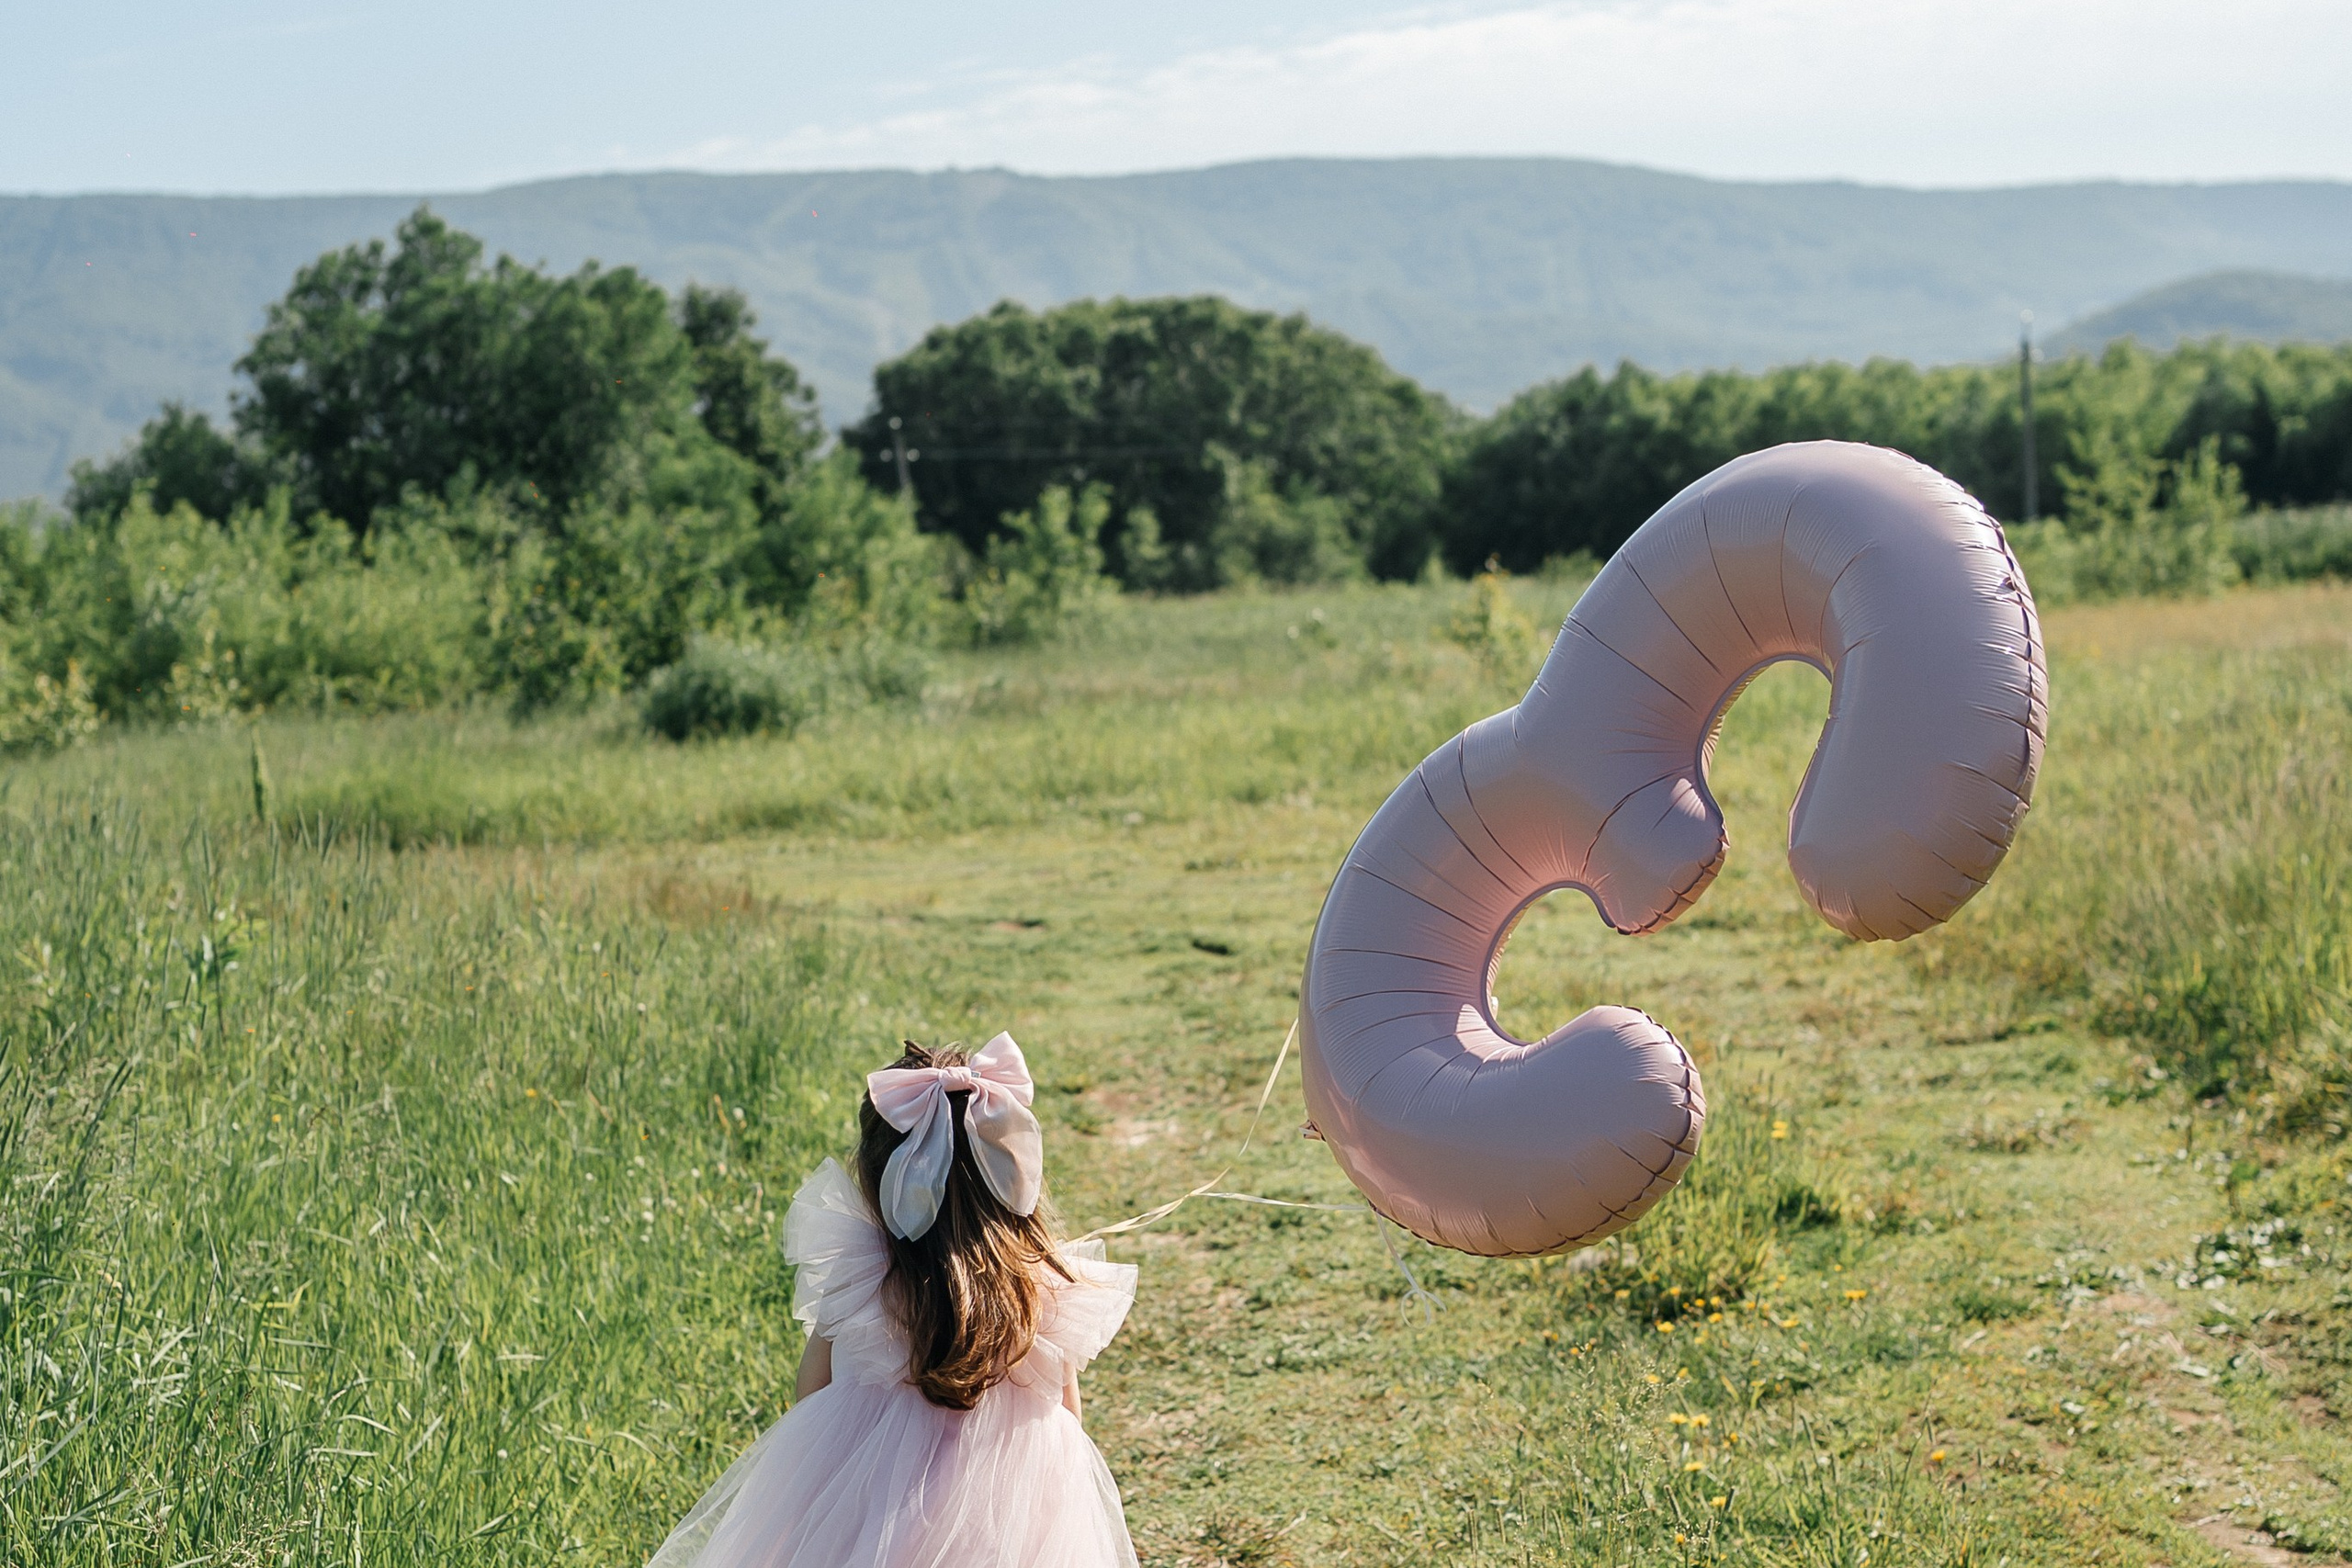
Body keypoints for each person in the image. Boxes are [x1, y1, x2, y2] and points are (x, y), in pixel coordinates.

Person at [645, 1033, 1140, 1568]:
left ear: (881, 1176)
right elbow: (1067, 1417)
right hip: (1004, 1527)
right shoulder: (1039, 1286)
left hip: (868, 1519)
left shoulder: (866, 1278)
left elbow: (812, 1394)